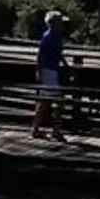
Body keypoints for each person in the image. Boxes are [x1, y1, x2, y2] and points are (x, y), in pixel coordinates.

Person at [32, 9, 71, 139]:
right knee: (53, 102)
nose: (63, 25)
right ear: (54, 24)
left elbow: (59, 54)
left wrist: (67, 67)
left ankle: (40, 129)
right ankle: (53, 130)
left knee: (46, 102)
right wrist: (39, 72)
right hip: (49, 72)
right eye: (60, 23)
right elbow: (40, 57)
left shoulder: (56, 38)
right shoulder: (48, 38)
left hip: (53, 71)